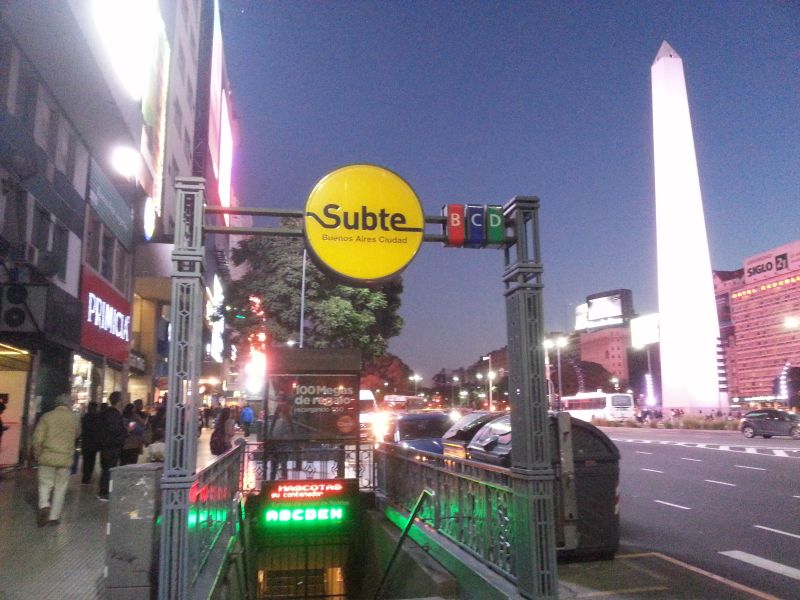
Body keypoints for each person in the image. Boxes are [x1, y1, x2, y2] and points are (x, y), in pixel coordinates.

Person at [31, 393, 80, 526]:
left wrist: (37, 454)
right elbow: (77, 434)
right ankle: (54, 517)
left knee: (45, 484)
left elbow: (37, 439)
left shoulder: (47, 417)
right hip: (65, 458)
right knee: (60, 487)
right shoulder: (74, 418)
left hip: (47, 456)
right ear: (69, 403)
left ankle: (44, 505)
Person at [97, 391, 127, 501]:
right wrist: (125, 431)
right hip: (112, 446)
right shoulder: (114, 414)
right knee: (109, 470)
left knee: (106, 469)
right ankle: (105, 493)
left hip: (106, 446)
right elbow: (115, 430)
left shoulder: (106, 413)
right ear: (118, 401)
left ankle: (104, 491)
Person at [267, 398, 294, 480]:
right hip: (278, 446)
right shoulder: (282, 422)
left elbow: (277, 433)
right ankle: (278, 477)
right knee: (279, 463)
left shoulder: (282, 422)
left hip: (280, 446)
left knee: (280, 463)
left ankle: (278, 478)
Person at [80, 401, 102, 484]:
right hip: (94, 442)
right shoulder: (98, 418)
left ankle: (85, 477)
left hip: (86, 441)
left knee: (86, 460)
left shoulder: (84, 418)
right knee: (92, 459)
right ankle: (89, 475)